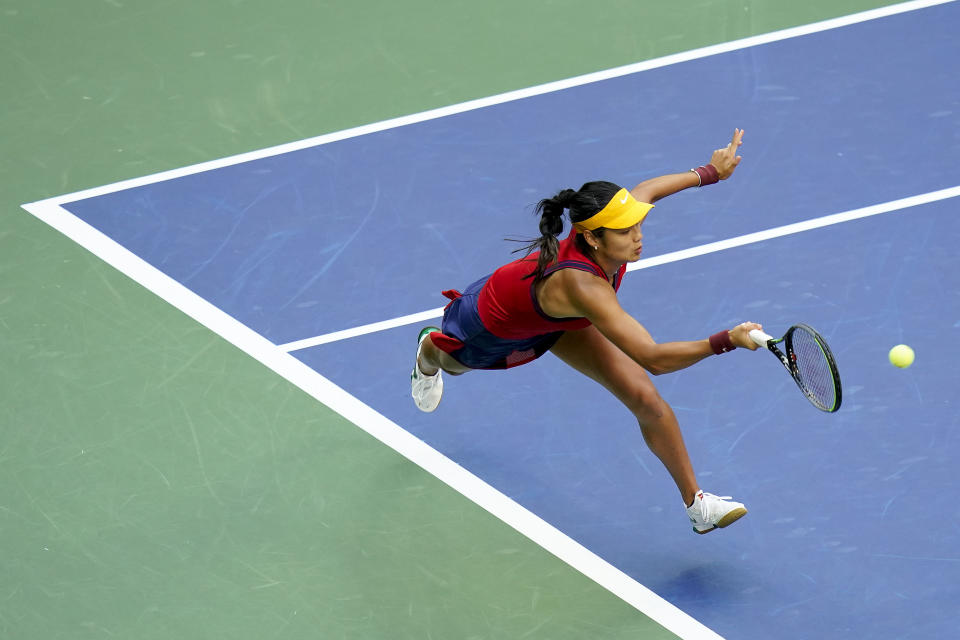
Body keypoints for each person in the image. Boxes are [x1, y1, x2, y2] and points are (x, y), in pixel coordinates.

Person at [411, 129, 761, 534]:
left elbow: (647, 190)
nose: (638, 236)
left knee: (645, 398)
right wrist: (724, 342)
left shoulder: (611, 231)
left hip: (562, 322)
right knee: (452, 364)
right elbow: (652, 357)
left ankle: (698, 506)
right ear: (592, 238)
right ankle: (426, 352)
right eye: (626, 231)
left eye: (636, 225)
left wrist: (711, 171)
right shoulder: (584, 286)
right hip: (491, 323)